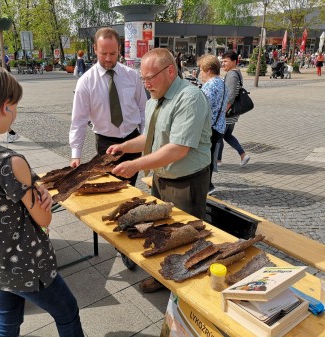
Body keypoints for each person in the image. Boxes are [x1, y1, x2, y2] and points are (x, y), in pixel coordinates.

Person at [0, 64, 84, 337]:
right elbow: (44, 218)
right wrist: (41, 196)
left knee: (8, 322)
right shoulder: (8, 162)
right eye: (15, 105)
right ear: (4, 107)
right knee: (67, 310)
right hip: (28, 265)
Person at [107, 48, 212, 292]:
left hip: (186, 181)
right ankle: (164, 273)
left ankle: (185, 285)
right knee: (162, 230)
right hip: (162, 177)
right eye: (143, 78)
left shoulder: (190, 98)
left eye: (150, 77)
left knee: (184, 234)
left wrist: (135, 165)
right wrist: (124, 147)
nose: (146, 84)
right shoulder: (155, 98)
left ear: (170, 71)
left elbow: (177, 149)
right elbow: (151, 137)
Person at [69, 27, 147, 186]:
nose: (108, 58)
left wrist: (145, 139)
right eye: (103, 53)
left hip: (133, 140)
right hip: (106, 144)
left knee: (128, 186)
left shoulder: (132, 76)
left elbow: (143, 110)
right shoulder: (86, 82)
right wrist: (75, 154)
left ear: (119, 50)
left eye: (113, 53)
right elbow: (79, 120)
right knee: (111, 187)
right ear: (95, 49)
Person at [198, 55, 228, 195]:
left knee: (204, 158)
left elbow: (201, 108)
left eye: (201, 70)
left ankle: (205, 185)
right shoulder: (222, 83)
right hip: (220, 126)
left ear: (208, 70)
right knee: (209, 156)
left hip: (209, 128)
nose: (200, 73)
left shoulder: (210, 86)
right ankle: (208, 184)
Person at [217, 50, 250, 167]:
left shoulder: (231, 75)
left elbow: (230, 97)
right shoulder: (237, 73)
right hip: (233, 113)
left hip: (228, 112)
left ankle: (218, 161)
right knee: (227, 135)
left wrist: (222, 112)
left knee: (219, 135)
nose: (223, 64)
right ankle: (243, 155)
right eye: (222, 61)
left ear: (234, 62)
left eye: (226, 61)